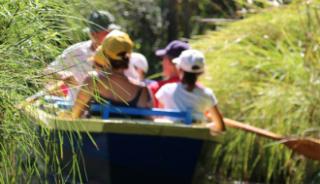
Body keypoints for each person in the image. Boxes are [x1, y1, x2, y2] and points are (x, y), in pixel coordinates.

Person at [70, 30, 153, 119]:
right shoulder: (143, 91)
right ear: (128, 56)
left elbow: (74, 115)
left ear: (105, 54)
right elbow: (150, 123)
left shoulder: (93, 81)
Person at [44, 10, 120, 103]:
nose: (111, 35)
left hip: (107, 109)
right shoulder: (76, 51)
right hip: (75, 109)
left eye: (112, 32)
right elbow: (48, 71)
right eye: (107, 32)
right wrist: (63, 75)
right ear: (93, 34)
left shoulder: (120, 53)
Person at [155, 49, 225, 132]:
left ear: (179, 68)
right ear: (201, 72)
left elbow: (159, 117)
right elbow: (220, 127)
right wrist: (205, 126)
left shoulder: (166, 90)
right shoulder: (207, 94)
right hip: (195, 139)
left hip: (169, 135)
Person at [148, 40, 190, 107]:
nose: (162, 63)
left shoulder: (155, 89)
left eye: (163, 59)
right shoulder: (199, 91)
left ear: (171, 62)